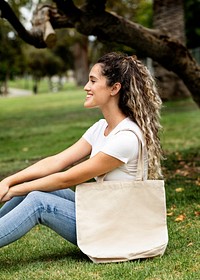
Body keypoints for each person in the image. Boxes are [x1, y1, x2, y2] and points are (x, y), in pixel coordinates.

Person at [0, 52, 163, 250]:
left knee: (38, 200)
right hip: (99, 213)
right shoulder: (101, 128)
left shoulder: (126, 137)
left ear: (115, 88)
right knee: (35, 186)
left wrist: (13, 191)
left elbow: (67, 178)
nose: (86, 87)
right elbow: (56, 162)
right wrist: (8, 182)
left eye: (93, 81)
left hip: (113, 230)